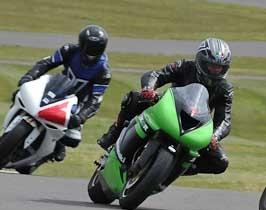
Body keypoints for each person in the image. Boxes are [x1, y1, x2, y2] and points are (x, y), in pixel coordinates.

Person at [97, 38, 234, 176]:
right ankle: (114, 133)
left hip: (195, 125)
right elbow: (156, 75)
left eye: (219, 67)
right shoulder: (184, 66)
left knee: (220, 162)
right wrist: (148, 88)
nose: (215, 70)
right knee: (134, 99)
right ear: (201, 62)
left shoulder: (225, 89)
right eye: (211, 65)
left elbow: (224, 120)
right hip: (168, 108)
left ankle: (173, 169)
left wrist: (215, 136)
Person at [16, 24, 111, 162]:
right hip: (57, 86)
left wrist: (80, 117)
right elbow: (46, 63)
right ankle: (16, 120)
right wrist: (30, 76)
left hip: (77, 102)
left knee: (73, 139)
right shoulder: (69, 50)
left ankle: (57, 146)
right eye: (88, 47)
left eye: (96, 48)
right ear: (81, 43)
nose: (91, 53)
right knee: (20, 93)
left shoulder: (103, 71)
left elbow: (95, 100)